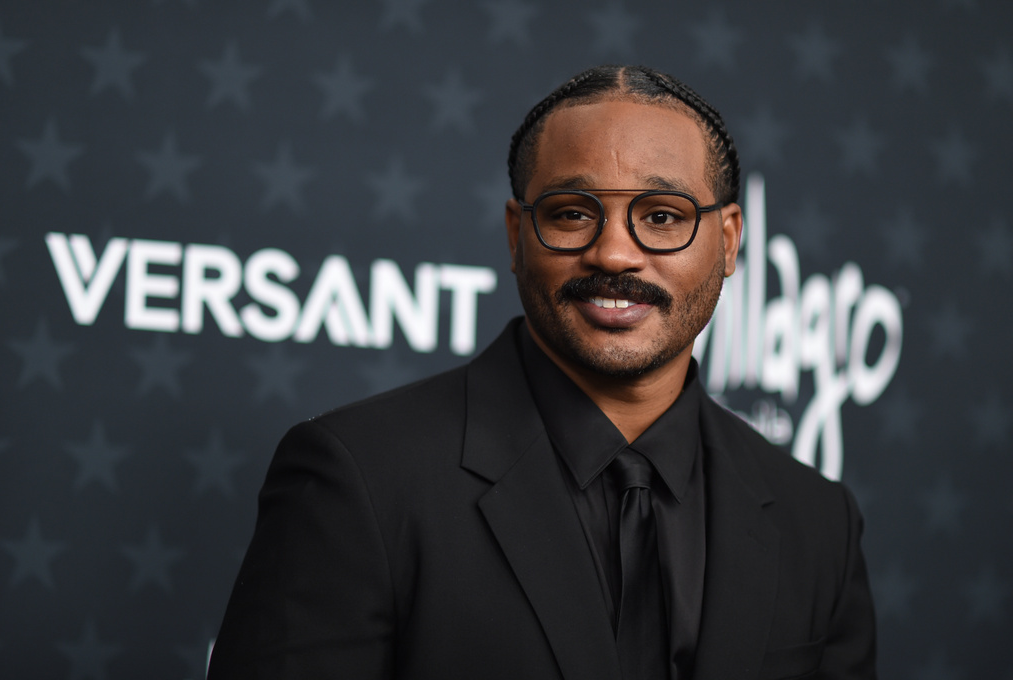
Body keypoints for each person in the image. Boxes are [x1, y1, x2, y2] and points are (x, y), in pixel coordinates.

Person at [207, 64, 877, 680]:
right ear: (515, 236)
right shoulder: (360, 479)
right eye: (572, 214)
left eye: (663, 217)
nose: (615, 252)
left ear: (728, 241)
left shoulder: (818, 523)